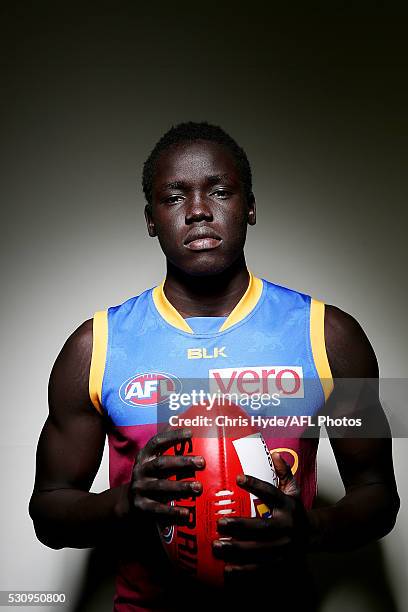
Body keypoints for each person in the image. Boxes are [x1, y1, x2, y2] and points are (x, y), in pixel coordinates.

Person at [29, 122, 399, 611]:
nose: (200, 211)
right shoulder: (94, 347)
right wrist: (123, 503)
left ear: (249, 206)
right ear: (150, 218)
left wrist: (312, 528)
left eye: (220, 191)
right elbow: (48, 510)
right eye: (175, 196)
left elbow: (379, 495)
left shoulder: (330, 337)